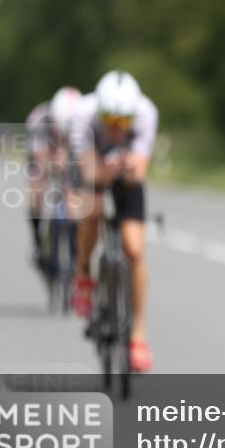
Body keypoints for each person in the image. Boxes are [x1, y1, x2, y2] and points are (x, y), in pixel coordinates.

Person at [71, 71, 159, 372]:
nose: (117, 128)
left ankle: (138, 334)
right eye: (110, 121)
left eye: (124, 123)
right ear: (99, 113)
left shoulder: (147, 113)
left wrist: (128, 167)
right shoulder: (81, 114)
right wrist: (103, 172)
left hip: (125, 171)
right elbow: (87, 172)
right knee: (92, 210)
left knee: (134, 249)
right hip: (93, 164)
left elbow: (140, 172)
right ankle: (83, 273)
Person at [24, 87, 82, 268]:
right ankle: (38, 242)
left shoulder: (83, 120)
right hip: (43, 152)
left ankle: (76, 249)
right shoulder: (39, 119)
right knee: (36, 186)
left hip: (69, 154)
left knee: (72, 196)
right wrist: (52, 163)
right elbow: (38, 157)